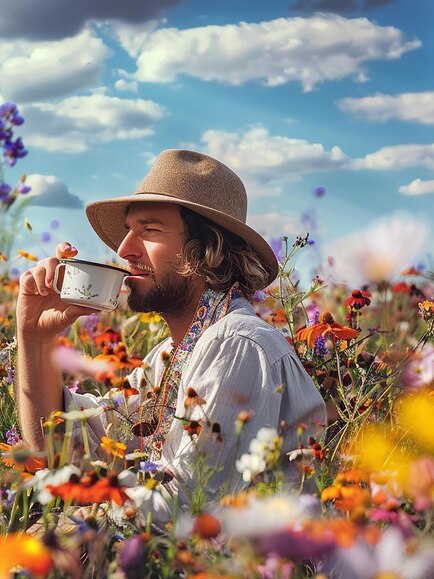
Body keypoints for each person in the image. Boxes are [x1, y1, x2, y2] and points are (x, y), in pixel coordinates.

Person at [16, 149, 326, 507]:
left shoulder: (236, 345)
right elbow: (58, 447)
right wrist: (34, 337)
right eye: (129, 231)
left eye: (149, 230)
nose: (124, 250)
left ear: (207, 248)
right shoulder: (170, 356)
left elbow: (187, 506)